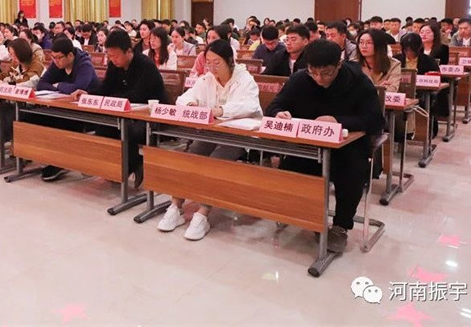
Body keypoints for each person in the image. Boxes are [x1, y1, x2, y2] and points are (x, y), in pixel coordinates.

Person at [266, 40, 385, 253]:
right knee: (289, 170)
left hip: (347, 148)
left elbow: (376, 121)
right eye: (314, 73)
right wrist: (278, 113)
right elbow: (274, 106)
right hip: (310, 144)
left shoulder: (358, 81)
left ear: (339, 64)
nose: (319, 79)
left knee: (351, 172)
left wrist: (338, 121)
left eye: (326, 73)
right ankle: (311, 217)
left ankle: (340, 226)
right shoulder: (300, 79)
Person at [157, 40, 263, 240]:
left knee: (215, 162)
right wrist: (191, 104)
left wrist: (221, 110)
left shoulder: (245, 79)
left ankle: (203, 213)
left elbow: (250, 106)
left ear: (229, 61)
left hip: (238, 136)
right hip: (210, 132)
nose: (212, 68)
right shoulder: (206, 79)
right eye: (208, 62)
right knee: (191, 157)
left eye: (217, 63)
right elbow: (183, 99)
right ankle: (176, 206)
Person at [57, 30, 166, 185]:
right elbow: (105, 87)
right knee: (103, 126)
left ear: (128, 51)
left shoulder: (145, 66)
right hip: (124, 114)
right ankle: (113, 168)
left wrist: (110, 100)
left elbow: (137, 95)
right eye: (110, 56)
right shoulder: (114, 66)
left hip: (149, 117)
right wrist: (88, 94)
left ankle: (131, 165)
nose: (113, 60)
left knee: (127, 130)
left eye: (116, 56)